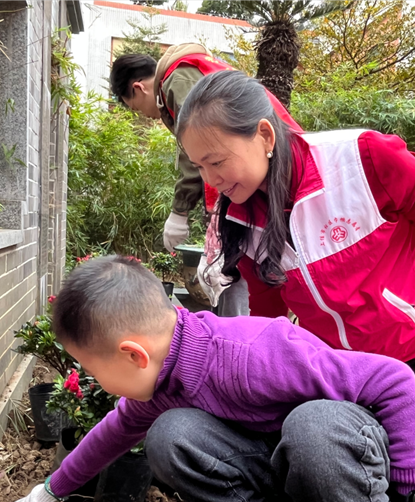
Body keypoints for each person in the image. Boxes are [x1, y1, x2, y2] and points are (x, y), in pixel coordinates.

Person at [176, 71, 415, 502]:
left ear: (263, 135)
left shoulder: (362, 161)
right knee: (346, 478)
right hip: (339, 370)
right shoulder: (244, 214)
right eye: (198, 166)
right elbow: (270, 314)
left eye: (216, 162)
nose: (210, 180)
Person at [2, 255, 415, 502]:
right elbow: (111, 433)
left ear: (133, 355)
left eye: (92, 369)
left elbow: (393, 380)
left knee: (312, 428)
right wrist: (47, 494)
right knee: (170, 436)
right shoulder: (163, 380)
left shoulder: (253, 355)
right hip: (285, 460)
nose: (92, 379)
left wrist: (410, 498)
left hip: (342, 451)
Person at [109, 44, 301, 315]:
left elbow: (199, 146)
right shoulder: (187, 72)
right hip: (264, 178)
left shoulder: (177, 80)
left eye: (137, 108)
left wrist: (179, 211)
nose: (146, 116)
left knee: (243, 267)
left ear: (139, 89)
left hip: (277, 178)